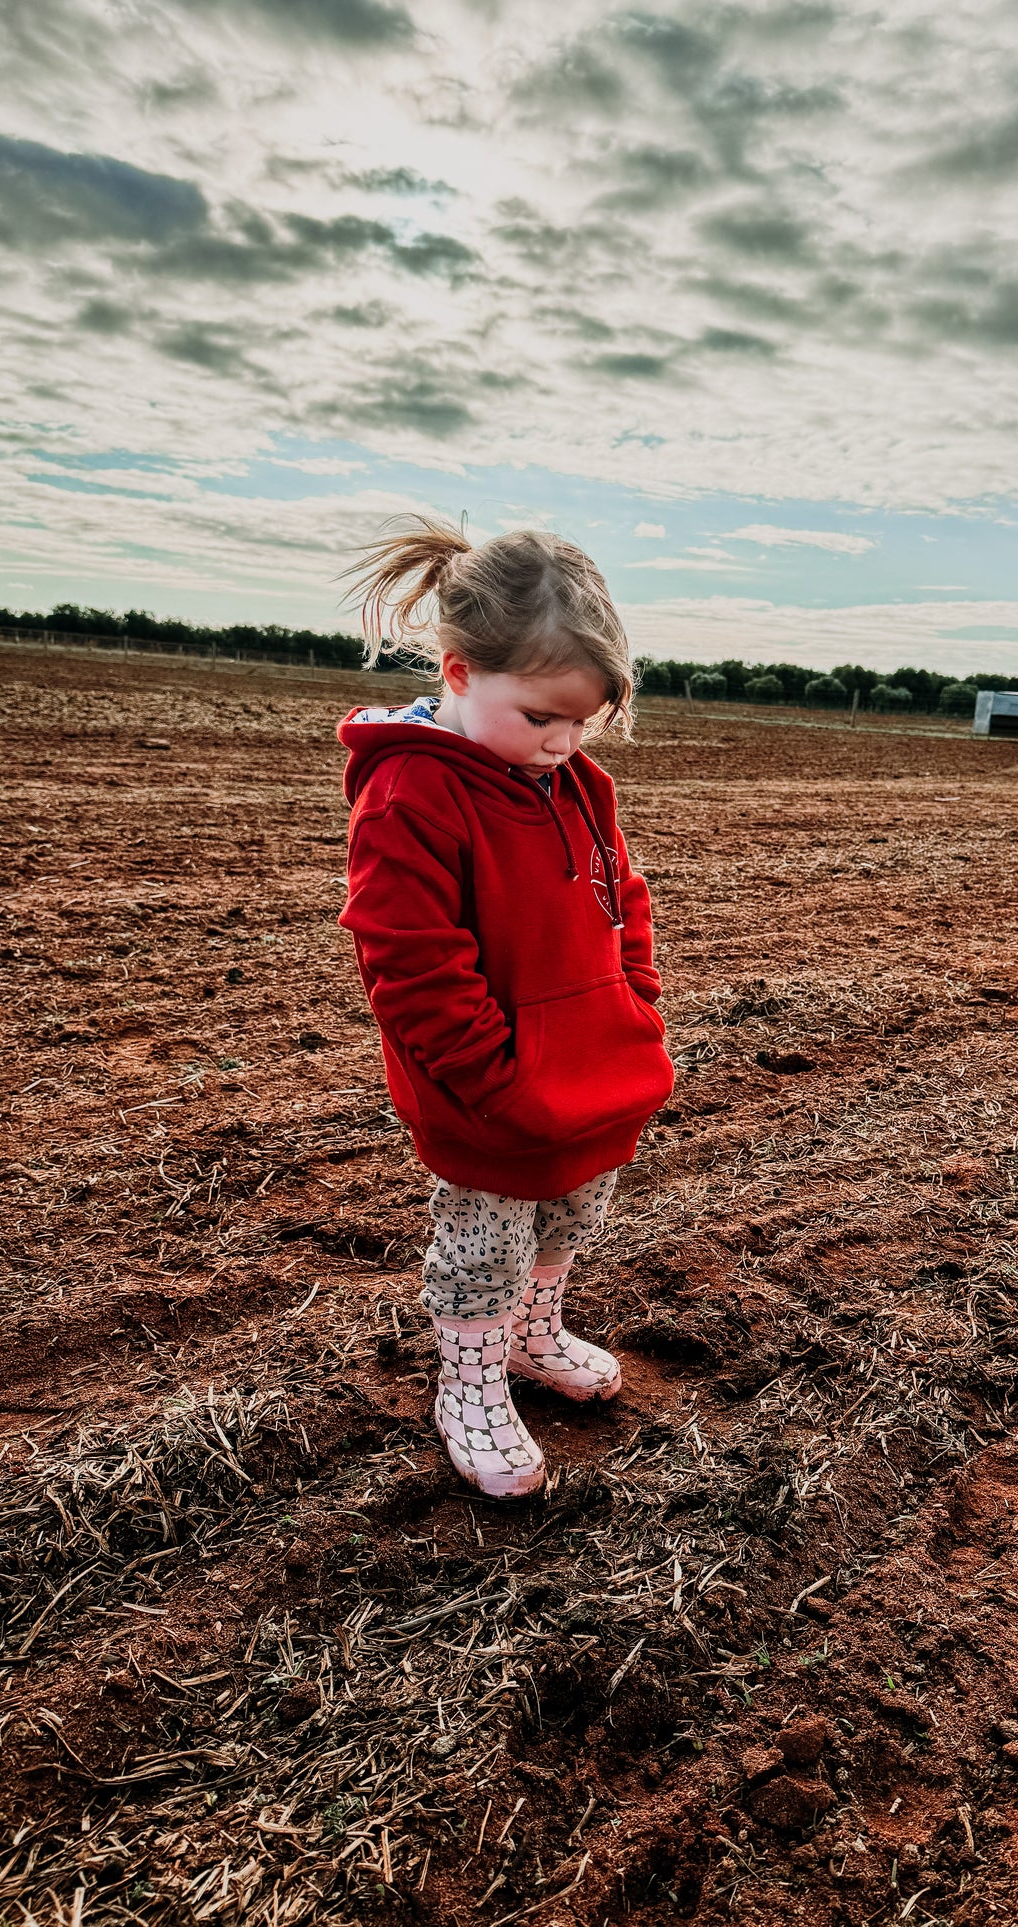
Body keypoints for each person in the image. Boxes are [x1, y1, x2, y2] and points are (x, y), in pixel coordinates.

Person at [337, 517, 674, 1499]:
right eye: (540, 717)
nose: (564, 743)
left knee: (571, 1212)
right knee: (484, 1244)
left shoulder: (574, 782)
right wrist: (495, 1081)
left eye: (585, 721)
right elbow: (411, 970)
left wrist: (635, 1008)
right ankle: (470, 1387)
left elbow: (625, 896)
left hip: (591, 1077)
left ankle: (534, 1338)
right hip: (491, 1095)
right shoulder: (410, 796)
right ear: (455, 672)